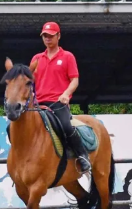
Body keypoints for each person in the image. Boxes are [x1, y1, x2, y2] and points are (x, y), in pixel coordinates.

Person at [30, 21, 91, 173]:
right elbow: (29, 82)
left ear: (59, 36)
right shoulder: (36, 58)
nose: (47, 39)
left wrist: (66, 94)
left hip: (58, 103)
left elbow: (75, 80)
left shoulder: (67, 56)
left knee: (66, 125)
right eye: (45, 36)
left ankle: (82, 156)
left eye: (50, 36)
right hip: (38, 104)